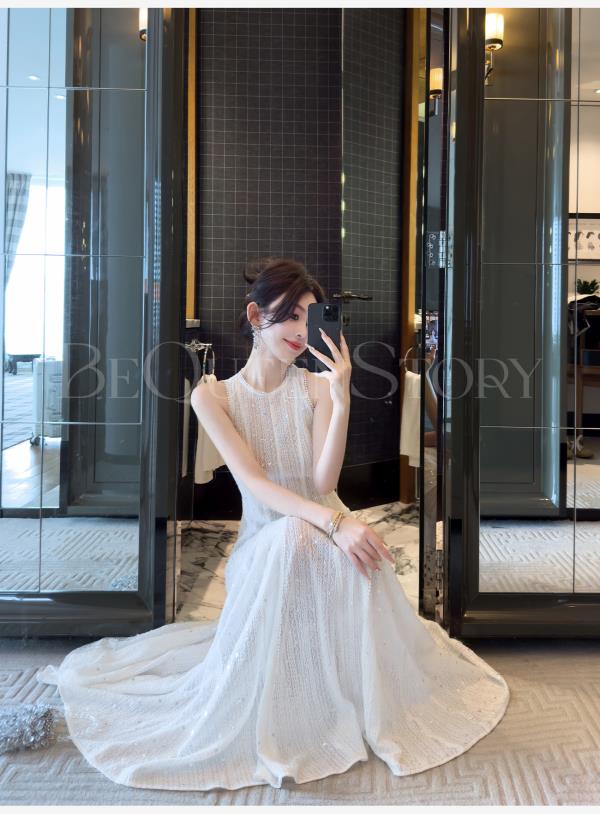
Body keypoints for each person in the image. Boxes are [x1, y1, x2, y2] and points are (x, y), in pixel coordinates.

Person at [36, 257, 510, 791]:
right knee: (292, 536)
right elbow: (257, 486)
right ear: (255, 315)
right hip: (267, 541)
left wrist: (341, 397)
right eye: (291, 316)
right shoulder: (213, 396)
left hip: (323, 527)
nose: (302, 332)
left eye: (311, 318)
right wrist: (336, 523)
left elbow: (323, 479)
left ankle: (339, 690)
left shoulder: (315, 388)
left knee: (346, 551)